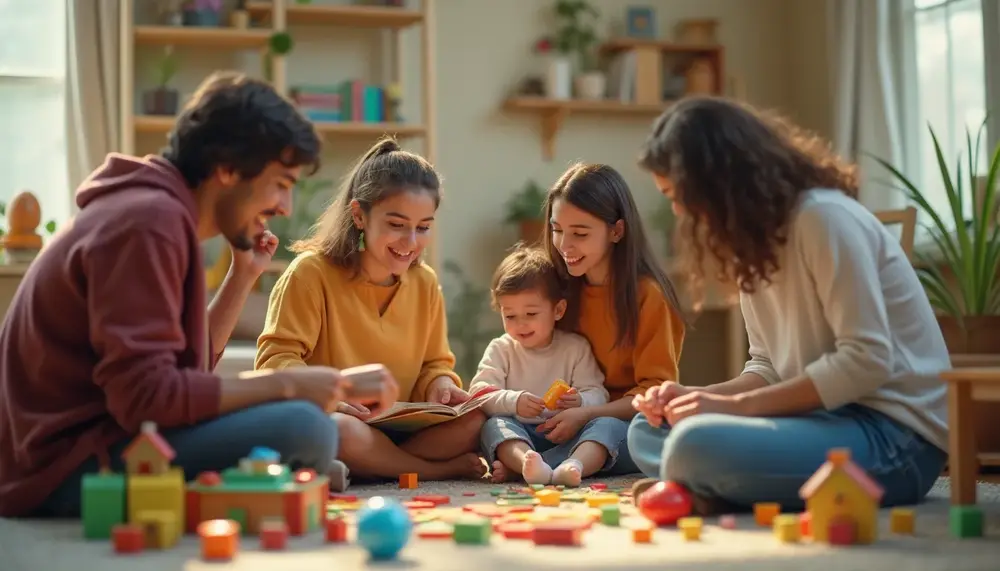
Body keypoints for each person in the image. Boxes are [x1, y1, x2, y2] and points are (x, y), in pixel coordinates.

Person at [0, 72, 397, 519]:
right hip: (62, 468)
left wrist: (240, 278)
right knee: (308, 428)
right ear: (227, 170)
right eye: (281, 183)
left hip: (93, 440)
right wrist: (287, 384)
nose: (285, 206)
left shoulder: (156, 212)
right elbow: (149, 399)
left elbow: (179, 372)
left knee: (306, 428)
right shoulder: (147, 223)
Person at [627, 96, 949, 511]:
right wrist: (690, 397)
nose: (677, 210)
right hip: (819, 419)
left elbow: (867, 361)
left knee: (693, 445)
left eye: (678, 194)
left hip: (895, 437)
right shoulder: (749, 247)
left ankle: (709, 480)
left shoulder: (824, 219)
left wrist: (729, 407)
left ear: (718, 181)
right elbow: (767, 367)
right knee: (647, 429)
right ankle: (712, 485)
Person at [255, 137, 487, 482]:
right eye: (396, 225)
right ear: (359, 216)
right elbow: (276, 361)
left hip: (403, 429)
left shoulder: (424, 282)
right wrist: (330, 398)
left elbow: (434, 363)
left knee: (477, 420)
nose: (411, 243)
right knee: (342, 431)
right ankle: (428, 471)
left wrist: (441, 385)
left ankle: (378, 465)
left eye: (423, 227)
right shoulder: (310, 273)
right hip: (341, 421)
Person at [539, 162, 687, 477]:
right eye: (557, 229)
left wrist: (586, 413)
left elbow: (654, 391)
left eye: (579, 233)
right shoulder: (560, 289)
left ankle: (554, 464)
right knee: (495, 425)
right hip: (569, 417)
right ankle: (539, 459)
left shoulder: (649, 295)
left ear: (616, 231)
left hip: (625, 422)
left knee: (605, 428)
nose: (565, 245)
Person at [470, 245, 611, 486]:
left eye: (531, 314)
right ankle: (528, 463)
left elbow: (599, 393)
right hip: (521, 434)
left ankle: (572, 465)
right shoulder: (501, 348)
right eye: (510, 316)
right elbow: (479, 393)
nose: (521, 324)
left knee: (607, 425)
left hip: (568, 435)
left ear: (558, 310)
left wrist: (581, 402)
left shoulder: (574, 347)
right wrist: (514, 401)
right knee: (495, 426)